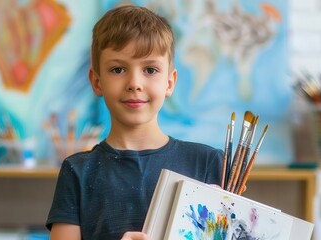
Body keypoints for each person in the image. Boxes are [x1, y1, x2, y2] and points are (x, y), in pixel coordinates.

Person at [46, 5, 223, 240]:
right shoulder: (78, 171)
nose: (135, 83)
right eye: (118, 69)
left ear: (169, 83)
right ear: (97, 82)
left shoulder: (209, 164)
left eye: (150, 69)